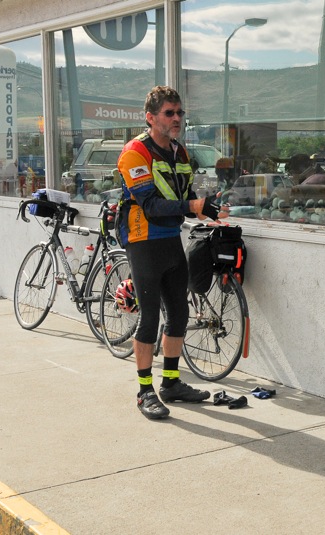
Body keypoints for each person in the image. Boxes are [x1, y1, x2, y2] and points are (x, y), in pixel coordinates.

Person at [116, 85, 229, 420]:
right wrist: (193, 206)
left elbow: (187, 194)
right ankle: (144, 391)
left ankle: (170, 383)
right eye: (169, 113)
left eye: (180, 112)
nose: (177, 118)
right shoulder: (135, 153)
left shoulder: (179, 152)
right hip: (142, 239)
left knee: (179, 313)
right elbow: (151, 205)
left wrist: (209, 207)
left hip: (169, 239)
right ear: (151, 118)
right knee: (150, 317)